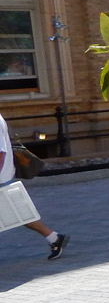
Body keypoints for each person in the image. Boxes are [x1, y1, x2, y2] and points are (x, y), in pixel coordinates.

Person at [0, 111, 68, 259]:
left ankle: (54, 238)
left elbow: (1, 153)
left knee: (17, 212)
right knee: (18, 213)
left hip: (2, 177)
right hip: (4, 176)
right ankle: (54, 238)